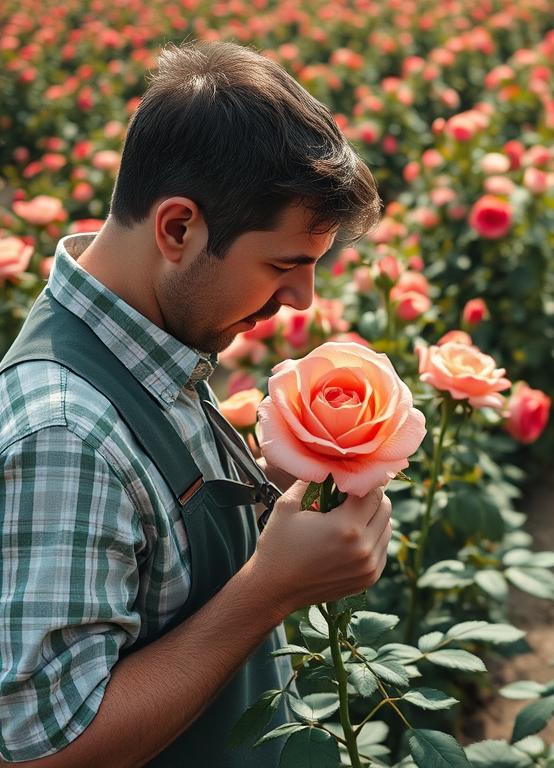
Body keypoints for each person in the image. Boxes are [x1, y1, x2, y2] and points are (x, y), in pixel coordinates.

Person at [0, 40, 392, 766]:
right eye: (284, 263)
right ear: (178, 228)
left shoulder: (142, 342)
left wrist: (272, 489)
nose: (302, 298)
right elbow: (42, 750)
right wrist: (269, 590)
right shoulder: (64, 433)